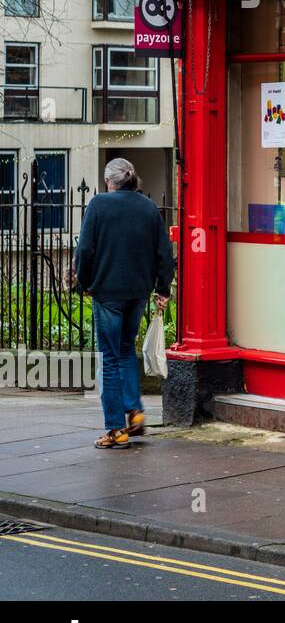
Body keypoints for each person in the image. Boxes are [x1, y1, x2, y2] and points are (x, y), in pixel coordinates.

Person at [74, 158, 175, 450]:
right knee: (125, 349)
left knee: (109, 357)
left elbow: (85, 250)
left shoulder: (98, 205)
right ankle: (136, 410)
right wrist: (162, 287)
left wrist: (85, 283)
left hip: (107, 292)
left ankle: (116, 428)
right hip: (138, 292)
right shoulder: (148, 207)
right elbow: (164, 252)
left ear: (110, 181)